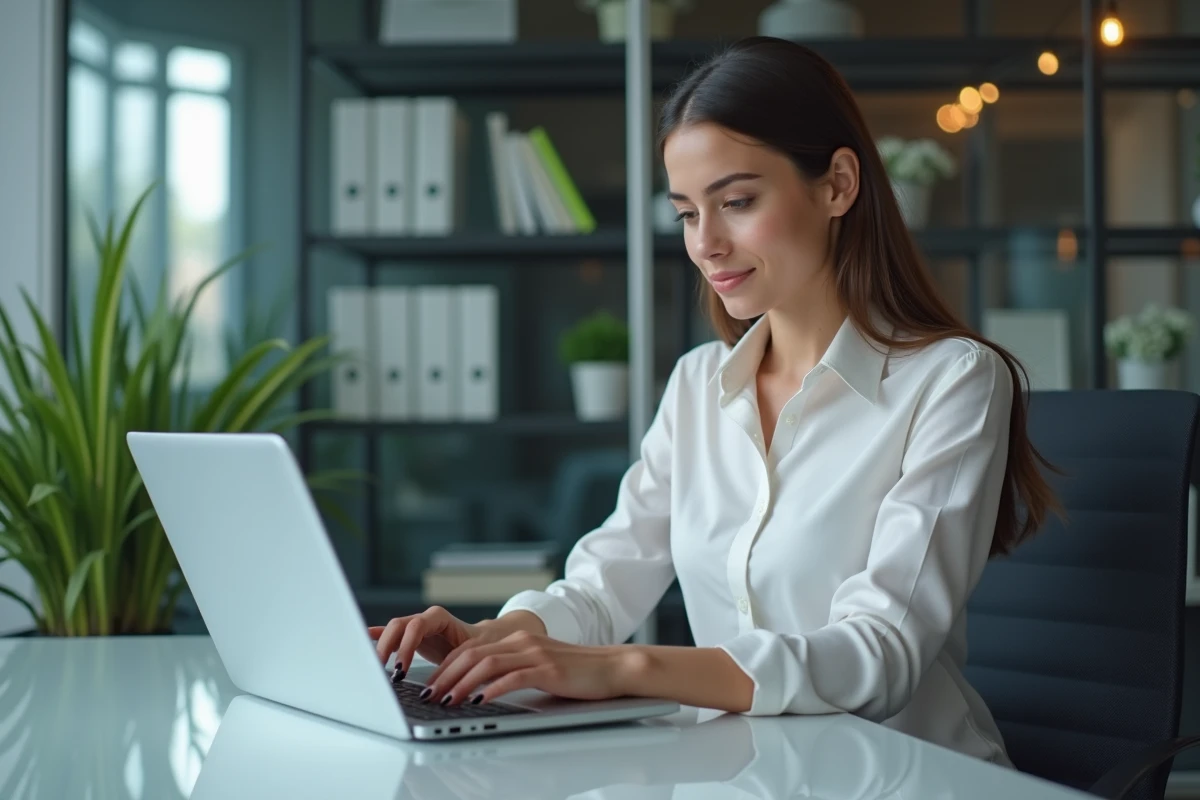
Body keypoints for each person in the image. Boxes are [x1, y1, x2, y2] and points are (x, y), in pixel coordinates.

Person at [368, 35, 1060, 766]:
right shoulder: (699, 383)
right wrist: (496, 640)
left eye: (736, 202)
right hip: (747, 775)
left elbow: (880, 651)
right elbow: (603, 586)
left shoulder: (953, 380)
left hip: (908, 775)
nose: (706, 244)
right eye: (687, 214)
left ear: (837, 185)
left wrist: (626, 668)